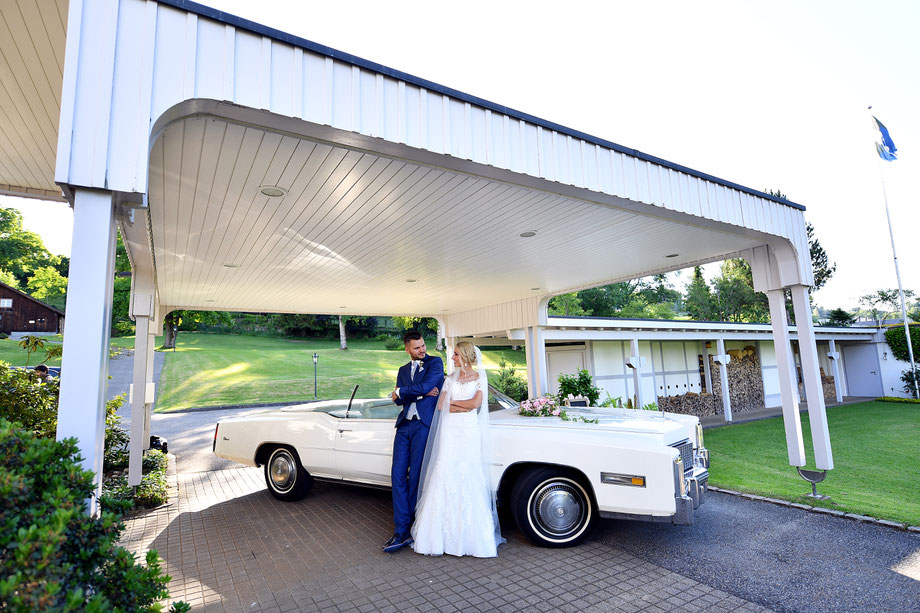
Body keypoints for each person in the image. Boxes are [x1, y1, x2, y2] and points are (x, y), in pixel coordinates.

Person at [411, 341, 504, 557]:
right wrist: (462, 406)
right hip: (450, 431)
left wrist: (458, 406)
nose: (451, 358)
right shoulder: (449, 378)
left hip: (469, 431)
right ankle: (438, 538)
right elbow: (442, 406)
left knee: (469, 472)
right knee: (445, 471)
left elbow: (476, 404)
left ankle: (471, 539)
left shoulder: (479, 377)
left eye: (454, 354)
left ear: (464, 355)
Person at [383, 330, 444, 553]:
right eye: (417, 348)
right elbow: (400, 401)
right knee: (397, 475)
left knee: (415, 477)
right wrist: (416, 394)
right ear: (407, 349)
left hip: (423, 426)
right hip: (404, 426)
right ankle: (400, 529)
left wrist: (404, 392)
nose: (422, 350)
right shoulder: (402, 370)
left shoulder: (435, 363)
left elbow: (427, 387)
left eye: (423, 346)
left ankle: (408, 529)